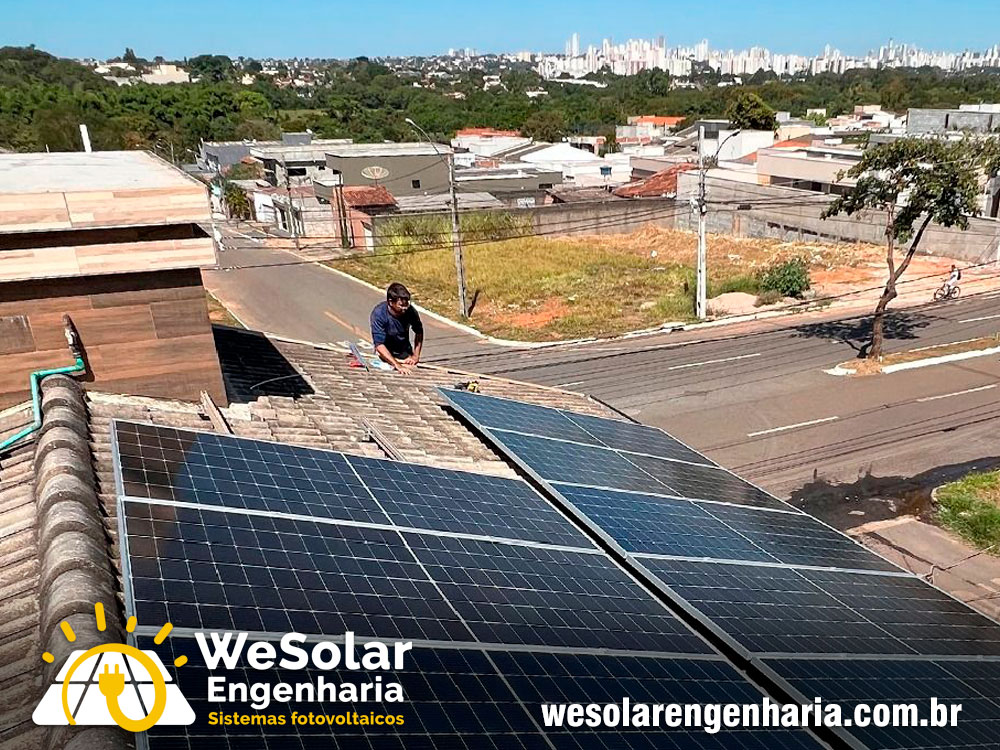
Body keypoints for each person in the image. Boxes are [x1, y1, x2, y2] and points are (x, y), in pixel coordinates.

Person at [370, 282, 423, 374]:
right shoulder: (379, 314)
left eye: (406, 304)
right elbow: (379, 345)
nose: (405, 308)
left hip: (404, 354)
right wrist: (397, 365)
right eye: (401, 305)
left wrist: (416, 355)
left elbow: (419, 331)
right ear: (391, 302)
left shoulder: (410, 311)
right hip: (385, 354)